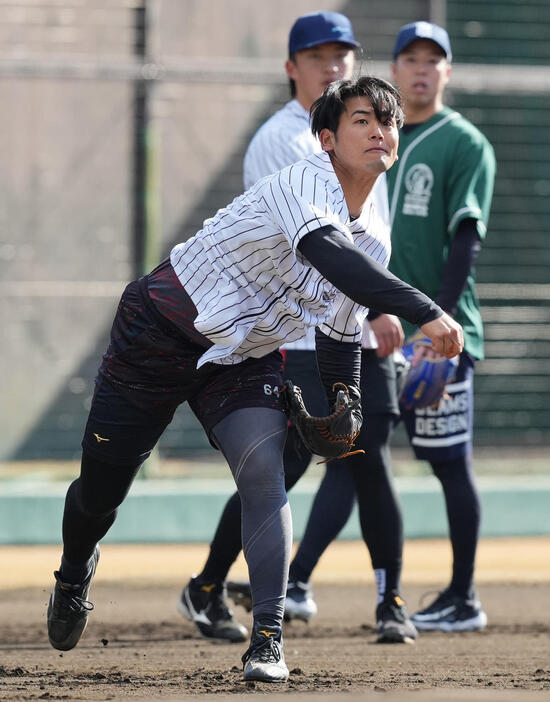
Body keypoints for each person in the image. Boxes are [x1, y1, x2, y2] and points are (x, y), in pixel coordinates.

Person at [46, 74, 463, 684]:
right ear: (326, 138)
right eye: (360, 120)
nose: (379, 130)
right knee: (101, 491)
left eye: (387, 121)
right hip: (161, 327)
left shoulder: (374, 232)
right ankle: (74, 570)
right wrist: (426, 310)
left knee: (265, 472)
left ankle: (267, 637)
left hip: (244, 356)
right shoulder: (305, 181)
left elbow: (342, 325)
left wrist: (344, 396)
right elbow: (331, 259)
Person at [178, 11, 416, 647]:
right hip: (300, 330)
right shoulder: (288, 142)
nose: (333, 65)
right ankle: (216, 584)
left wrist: (379, 304)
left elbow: (371, 238)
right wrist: (396, 305)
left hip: (351, 321)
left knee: (362, 454)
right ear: (291, 69)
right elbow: (319, 245)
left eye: (342, 54)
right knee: (280, 467)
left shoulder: (372, 134)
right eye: (317, 56)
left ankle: (387, 599)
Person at [383, 21, 496, 632]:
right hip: (378, 330)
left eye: (434, 60)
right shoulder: (377, 138)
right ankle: (294, 583)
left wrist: (438, 326)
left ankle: (464, 596)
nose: (422, 69)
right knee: (360, 455)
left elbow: (465, 240)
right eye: (411, 58)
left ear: (447, 72)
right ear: (395, 69)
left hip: (437, 334)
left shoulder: (465, 143)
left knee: (449, 462)